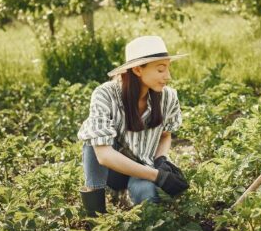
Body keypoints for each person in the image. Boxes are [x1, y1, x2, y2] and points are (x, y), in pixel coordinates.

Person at [77, 35, 189, 215]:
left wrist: (161, 160)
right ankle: (95, 217)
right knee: (93, 141)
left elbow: (165, 135)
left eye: (168, 68)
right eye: (161, 70)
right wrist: (158, 176)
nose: (168, 76)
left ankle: (130, 200)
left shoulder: (168, 97)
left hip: (143, 167)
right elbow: (104, 156)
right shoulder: (105, 94)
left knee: (149, 200)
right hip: (112, 171)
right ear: (137, 70)